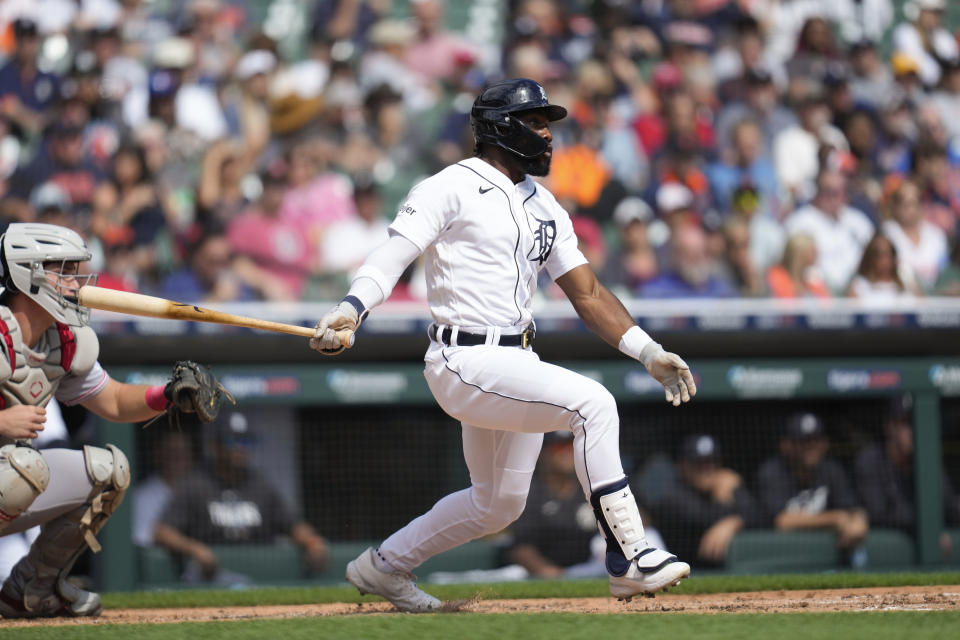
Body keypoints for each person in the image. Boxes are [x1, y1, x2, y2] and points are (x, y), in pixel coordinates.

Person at [310, 78, 696, 612]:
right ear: (499, 128)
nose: (548, 135)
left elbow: (587, 292)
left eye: (548, 124)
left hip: (514, 357)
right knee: (594, 404)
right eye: (536, 122)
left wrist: (649, 351)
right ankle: (630, 556)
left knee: (497, 505)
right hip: (462, 356)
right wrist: (353, 308)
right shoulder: (450, 185)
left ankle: (383, 567)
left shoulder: (544, 205)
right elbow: (393, 255)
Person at [0, 222, 230, 618]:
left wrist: (170, 396)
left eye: (76, 271)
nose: (77, 284)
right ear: (28, 273)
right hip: (13, 473)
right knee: (26, 469)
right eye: (64, 271)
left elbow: (116, 402)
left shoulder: (65, 340)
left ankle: (32, 589)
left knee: (109, 472)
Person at [152, 411, 329, 585]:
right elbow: (162, 532)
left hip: (259, 577)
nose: (240, 449)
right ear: (215, 446)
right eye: (232, 441)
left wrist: (312, 542)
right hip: (210, 578)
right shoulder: (195, 484)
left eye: (245, 441)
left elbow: (293, 524)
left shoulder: (260, 483)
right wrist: (194, 549)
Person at [854, 394, 960, 557]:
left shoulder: (928, 460)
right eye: (906, 423)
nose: (913, 430)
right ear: (889, 426)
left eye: (918, 422)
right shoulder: (870, 460)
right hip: (881, 555)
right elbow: (878, 514)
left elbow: (952, 507)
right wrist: (928, 529)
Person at [756, 412, 869, 558]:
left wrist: (859, 519)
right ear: (786, 445)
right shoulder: (772, 472)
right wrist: (835, 519)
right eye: (804, 441)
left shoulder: (832, 470)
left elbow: (851, 507)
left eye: (817, 440)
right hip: (780, 556)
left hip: (828, 556)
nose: (812, 446)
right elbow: (782, 521)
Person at [654, 434, 764, 569]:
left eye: (712, 461)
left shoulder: (726, 487)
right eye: (698, 463)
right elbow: (701, 521)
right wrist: (722, 500)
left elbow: (760, 515)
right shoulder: (672, 496)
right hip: (681, 574)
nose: (707, 469)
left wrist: (735, 522)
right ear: (682, 465)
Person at [131, 431, 194, 548]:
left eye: (184, 452)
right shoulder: (142, 496)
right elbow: (144, 541)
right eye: (173, 452)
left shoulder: (199, 491)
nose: (179, 458)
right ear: (159, 455)